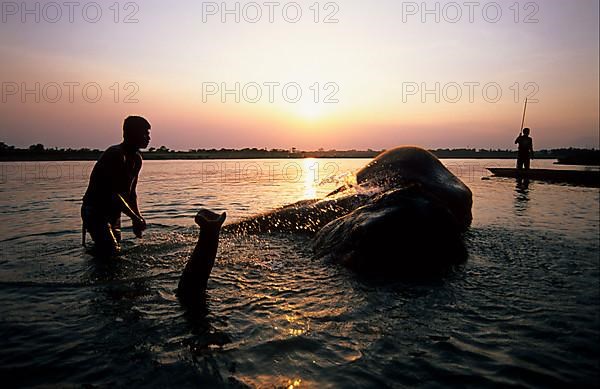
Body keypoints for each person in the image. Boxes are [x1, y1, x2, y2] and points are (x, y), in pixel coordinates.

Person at [81, 116, 151, 256]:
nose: (148, 137)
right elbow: (112, 193)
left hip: (113, 213)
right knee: (111, 251)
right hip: (95, 211)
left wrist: (138, 217)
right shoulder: (115, 155)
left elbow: (131, 193)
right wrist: (134, 218)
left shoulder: (137, 158)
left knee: (113, 252)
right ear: (132, 134)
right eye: (145, 133)